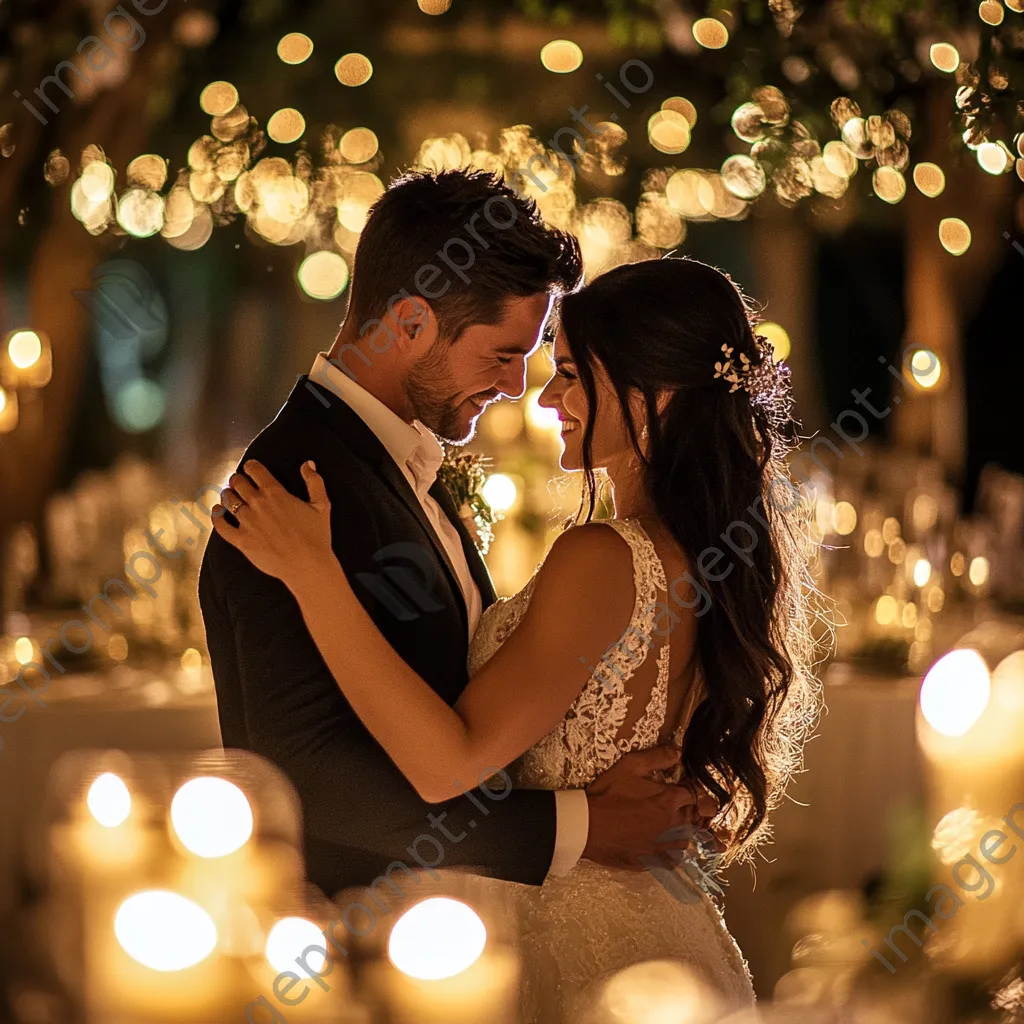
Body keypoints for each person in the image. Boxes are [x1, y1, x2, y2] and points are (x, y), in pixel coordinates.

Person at [211, 251, 825, 1019]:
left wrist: (314, 576)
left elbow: (450, 761)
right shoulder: (694, 548)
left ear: (654, 397)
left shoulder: (604, 557)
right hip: (653, 927)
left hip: (570, 937)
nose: (547, 399)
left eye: (572, 373)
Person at [198, 169, 717, 915]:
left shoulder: (394, 457)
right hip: (351, 927)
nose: (518, 388)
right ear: (410, 324)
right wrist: (577, 824)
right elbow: (311, 776)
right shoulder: (292, 487)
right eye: (504, 354)